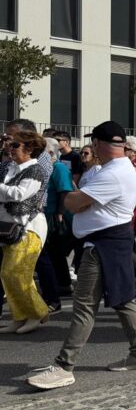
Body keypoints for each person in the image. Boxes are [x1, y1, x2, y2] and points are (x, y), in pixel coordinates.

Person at [27, 122, 136, 391]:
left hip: (103, 244)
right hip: (109, 242)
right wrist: (81, 199)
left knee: (85, 305)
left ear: (99, 143)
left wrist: (79, 200)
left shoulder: (113, 173)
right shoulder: (113, 170)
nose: (91, 148)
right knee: (123, 300)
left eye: (94, 143)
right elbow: (78, 200)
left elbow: (72, 202)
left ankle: (64, 366)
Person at [0, 131, 52, 334]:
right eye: (10, 145)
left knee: (17, 274)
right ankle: (19, 316)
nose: (10, 149)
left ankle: (37, 314)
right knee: (8, 275)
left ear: (29, 149)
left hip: (28, 228)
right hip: (10, 227)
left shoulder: (35, 170)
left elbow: (20, 194)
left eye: (15, 146)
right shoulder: (11, 168)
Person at [35, 138, 74, 313]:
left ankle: (62, 284)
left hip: (53, 214)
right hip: (46, 213)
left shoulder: (58, 167)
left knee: (53, 251)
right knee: (53, 252)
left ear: (50, 152)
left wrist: (59, 213)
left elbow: (64, 190)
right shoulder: (47, 167)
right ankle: (62, 283)